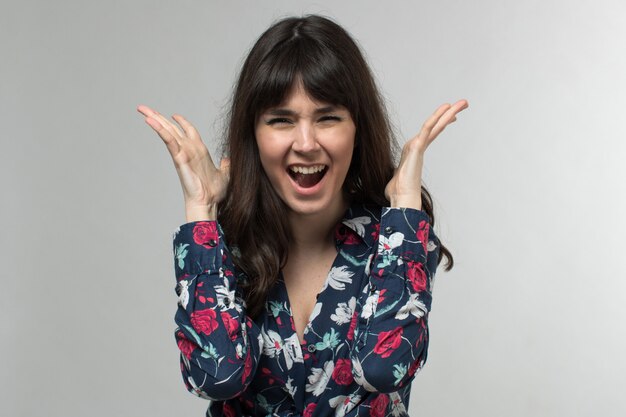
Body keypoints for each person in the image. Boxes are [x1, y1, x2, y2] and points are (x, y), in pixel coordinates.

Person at [138, 14, 467, 417]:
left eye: (328, 118)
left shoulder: (397, 238)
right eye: (281, 120)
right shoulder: (224, 248)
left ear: (357, 128)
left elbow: (384, 367)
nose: (306, 144)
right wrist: (202, 211)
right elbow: (216, 376)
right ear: (253, 135)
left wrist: (404, 206)